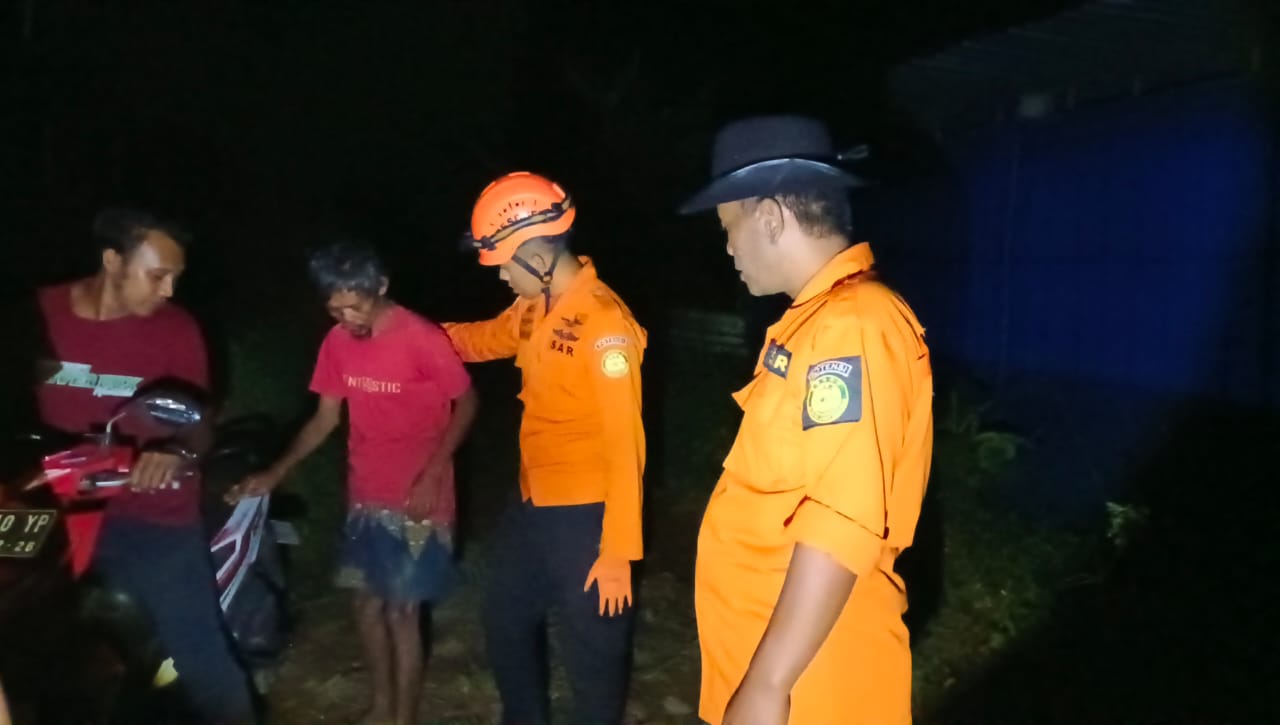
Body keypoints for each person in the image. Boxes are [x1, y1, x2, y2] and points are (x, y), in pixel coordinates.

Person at [679, 115, 934, 725]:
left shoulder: (854, 324)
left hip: (812, 684)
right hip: (779, 661)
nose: (729, 247)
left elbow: (839, 521)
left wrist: (769, 686)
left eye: (728, 227)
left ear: (770, 218)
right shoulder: (816, 324)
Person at [229, 241, 476, 725]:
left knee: (403, 612)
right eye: (334, 306)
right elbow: (324, 419)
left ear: (380, 287)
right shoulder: (337, 343)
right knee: (365, 606)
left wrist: (433, 472)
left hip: (418, 499)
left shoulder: (421, 337)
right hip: (366, 493)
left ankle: (403, 718)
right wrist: (275, 472)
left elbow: (467, 404)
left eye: (354, 304)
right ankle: (381, 706)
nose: (346, 316)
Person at [35, 207, 256, 723]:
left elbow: (199, 424)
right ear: (113, 261)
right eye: (158, 275)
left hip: (151, 514)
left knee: (200, 653)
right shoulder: (37, 319)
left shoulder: (176, 331)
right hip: (55, 506)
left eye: (176, 278)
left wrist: (174, 452)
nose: (169, 291)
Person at [445, 171, 646, 724]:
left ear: (535, 256)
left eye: (505, 266)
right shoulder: (539, 304)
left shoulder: (605, 324)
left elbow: (625, 444)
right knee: (505, 616)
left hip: (588, 513)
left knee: (594, 656)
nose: (503, 277)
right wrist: (413, 336)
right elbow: (483, 338)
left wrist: (618, 551)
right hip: (535, 501)